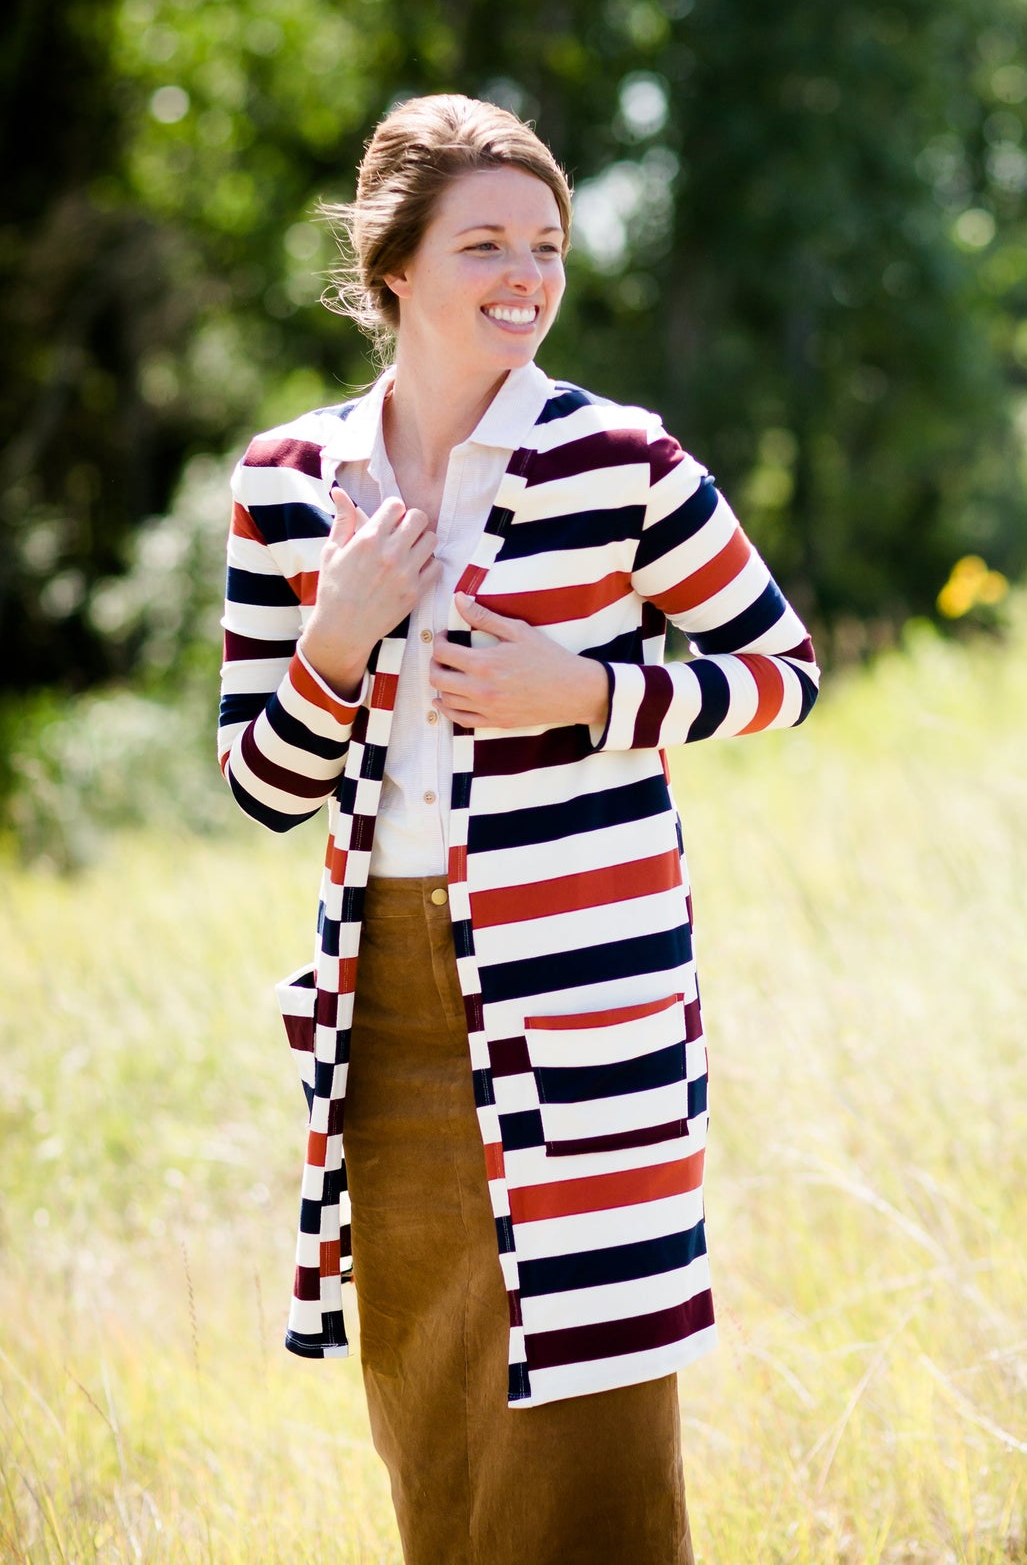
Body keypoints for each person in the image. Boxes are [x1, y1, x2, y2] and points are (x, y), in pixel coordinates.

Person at [217, 94, 820, 1565]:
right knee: (433, 1426)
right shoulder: (289, 485)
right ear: (394, 266)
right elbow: (260, 779)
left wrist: (587, 689)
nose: (523, 277)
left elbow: (781, 677)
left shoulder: (622, 460)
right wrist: (338, 640)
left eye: (544, 246)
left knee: (595, 1422)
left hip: (587, 1002)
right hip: (388, 1013)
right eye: (484, 243)